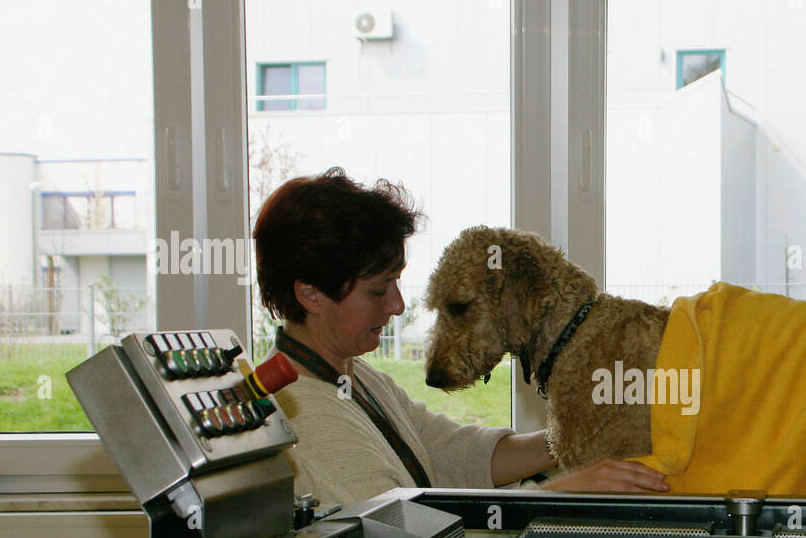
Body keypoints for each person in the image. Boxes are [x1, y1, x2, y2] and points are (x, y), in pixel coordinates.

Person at [253, 168, 667, 508]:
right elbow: (396, 534)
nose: (397, 305)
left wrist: (594, 430)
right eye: (378, 290)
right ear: (310, 294)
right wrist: (562, 492)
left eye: (396, 283)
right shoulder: (302, 412)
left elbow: (452, 454)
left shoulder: (354, 377)